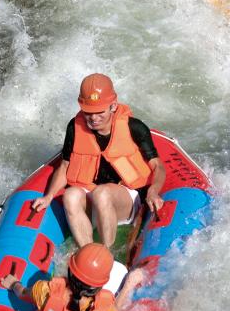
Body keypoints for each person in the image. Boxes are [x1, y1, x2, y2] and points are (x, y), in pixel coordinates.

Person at [31, 74, 166, 248]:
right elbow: (65, 166)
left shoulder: (134, 127)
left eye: (100, 112)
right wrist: (49, 196)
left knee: (102, 193)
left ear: (113, 106)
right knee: (70, 196)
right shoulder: (74, 127)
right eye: (88, 112)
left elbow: (158, 165)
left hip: (125, 199)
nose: (93, 118)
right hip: (92, 195)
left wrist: (153, 191)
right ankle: (87, 252)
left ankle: (106, 253)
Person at [0, 243, 146, 311]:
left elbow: (22, 293)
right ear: (100, 285)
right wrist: (128, 285)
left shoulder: (46, 290)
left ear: (70, 270)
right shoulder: (103, 308)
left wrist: (14, 284)